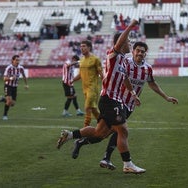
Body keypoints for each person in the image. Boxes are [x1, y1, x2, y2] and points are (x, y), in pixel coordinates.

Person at [72, 41, 179, 170]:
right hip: (117, 102)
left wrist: (166, 97)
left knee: (104, 133)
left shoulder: (147, 68)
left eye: (143, 51)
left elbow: (152, 84)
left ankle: (81, 142)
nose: (140, 53)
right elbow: (114, 73)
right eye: (138, 50)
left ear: (145, 54)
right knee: (117, 131)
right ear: (133, 51)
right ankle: (109, 159)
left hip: (130, 105)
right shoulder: (124, 62)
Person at [57, 19, 146, 174]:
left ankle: (70, 135)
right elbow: (119, 45)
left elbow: (125, 79)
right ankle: (127, 164)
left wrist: (132, 94)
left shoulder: (124, 61)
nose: (131, 44)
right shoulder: (113, 54)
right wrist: (130, 26)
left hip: (112, 100)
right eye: (129, 41)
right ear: (122, 42)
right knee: (123, 130)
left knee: (100, 132)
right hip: (110, 100)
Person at [72, 40, 103, 127]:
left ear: (89, 47)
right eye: (81, 46)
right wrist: (72, 80)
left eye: (84, 46)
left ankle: (85, 129)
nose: (82, 48)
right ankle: (104, 124)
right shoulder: (81, 61)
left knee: (87, 107)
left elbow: (102, 74)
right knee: (93, 109)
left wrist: (106, 85)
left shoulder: (95, 59)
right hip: (85, 89)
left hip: (93, 89)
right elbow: (80, 75)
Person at [0, 55, 28, 120]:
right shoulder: (9, 68)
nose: (17, 61)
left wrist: (26, 84)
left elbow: (24, 76)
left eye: (18, 60)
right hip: (8, 86)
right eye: (16, 60)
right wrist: (11, 78)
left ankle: (3, 99)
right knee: (8, 101)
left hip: (15, 87)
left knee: (12, 104)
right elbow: (4, 79)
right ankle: (5, 115)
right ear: (12, 60)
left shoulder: (21, 68)